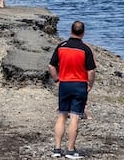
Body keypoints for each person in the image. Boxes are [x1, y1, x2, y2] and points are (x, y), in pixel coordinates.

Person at [48, 21, 96, 159]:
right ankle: (70, 150)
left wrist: (57, 80)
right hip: (79, 84)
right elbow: (91, 71)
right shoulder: (85, 49)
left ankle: (57, 149)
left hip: (64, 84)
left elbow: (51, 66)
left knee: (62, 115)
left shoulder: (61, 46)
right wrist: (90, 85)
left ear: (71, 31)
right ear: (83, 33)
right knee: (74, 117)